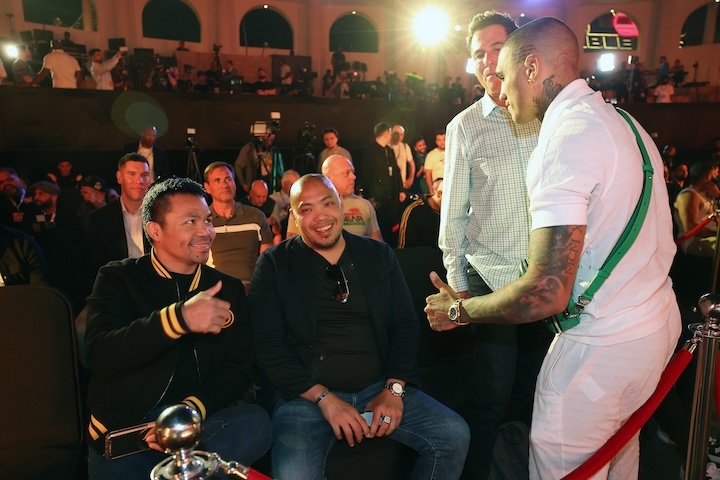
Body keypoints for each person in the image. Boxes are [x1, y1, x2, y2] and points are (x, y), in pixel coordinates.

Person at [426, 17, 681, 479]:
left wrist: (458, 311)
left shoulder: (564, 139)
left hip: (601, 346)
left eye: (504, 73)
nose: (499, 86)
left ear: (531, 68)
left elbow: (545, 292)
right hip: (653, 325)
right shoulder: (624, 120)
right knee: (618, 458)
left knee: (566, 467)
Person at [248, 174, 469, 480]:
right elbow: (266, 345)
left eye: (327, 204)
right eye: (307, 209)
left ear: (342, 205)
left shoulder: (377, 254)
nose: (320, 216)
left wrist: (393, 389)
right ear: (294, 216)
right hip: (305, 397)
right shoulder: (274, 264)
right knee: (295, 475)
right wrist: (324, 399)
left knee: (454, 435)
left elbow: (404, 326)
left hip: (378, 386)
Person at [84, 177, 272, 479]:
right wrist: (176, 320)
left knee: (256, 421)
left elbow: (239, 367)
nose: (205, 231)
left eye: (207, 220)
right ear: (155, 231)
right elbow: (100, 355)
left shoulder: (227, 288)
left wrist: (188, 412)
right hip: (131, 435)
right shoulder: (118, 278)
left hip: (196, 427)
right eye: (191, 221)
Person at [439, 12, 546, 479]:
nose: (487, 60)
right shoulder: (464, 126)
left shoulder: (548, 114)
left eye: (496, 48)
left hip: (548, 279)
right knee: (491, 397)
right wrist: (459, 286)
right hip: (491, 280)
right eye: (478, 53)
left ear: (520, 52)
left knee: (543, 393)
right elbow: (453, 215)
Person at [203, 162, 274, 284]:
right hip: (216, 288)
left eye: (228, 179)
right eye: (217, 181)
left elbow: (268, 262)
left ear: (235, 184)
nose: (224, 185)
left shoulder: (256, 217)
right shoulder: (202, 221)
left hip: (251, 287)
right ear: (207, 188)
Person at [85, 153, 152, 280]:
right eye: (132, 174)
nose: (139, 181)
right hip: (116, 284)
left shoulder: (160, 215)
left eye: (144, 175)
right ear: (119, 177)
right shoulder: (99, 218)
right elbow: (94, 264)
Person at [287, 155, 382, 240]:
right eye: (346, 173)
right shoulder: (303, 206)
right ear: (329, 177)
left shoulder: (364, 205)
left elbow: (377, 243)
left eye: (353, 172)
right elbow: (293, 245)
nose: (353, 177)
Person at [361, 122, 405, 245]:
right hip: (378, 198)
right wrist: (369, 195)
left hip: (392, 196)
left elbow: (396, 171)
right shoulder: (370, 150)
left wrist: (401, 189)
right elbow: (366, 174)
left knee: (393, 226)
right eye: (390, 133)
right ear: (386, 134)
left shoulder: (389, 150)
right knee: (380, 226)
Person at [674, 159, 719, 258]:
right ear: (708, 176)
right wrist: (717, 233)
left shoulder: (708, 196)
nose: (717, 177)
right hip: (694, 241)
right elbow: (691, 228)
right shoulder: (689, 195)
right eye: (715, 174)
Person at [398, 179, 442, 249]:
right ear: (439, 194)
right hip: (420, 254)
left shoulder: (447, 213)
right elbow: (404, 247)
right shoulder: (415, 210)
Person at [391, 125, 416, 190]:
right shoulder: (386, 146)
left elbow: (412, 164)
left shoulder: (405, 147)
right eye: (396, 133)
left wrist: (410, 179)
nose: (399, 136)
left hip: (401, 184)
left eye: (401, 134)